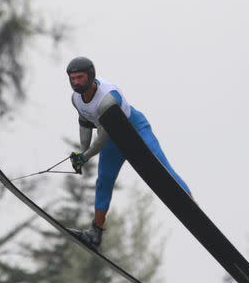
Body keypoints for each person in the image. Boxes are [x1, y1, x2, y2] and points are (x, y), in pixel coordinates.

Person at [66, 56, 193, 249]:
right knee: (103, 182)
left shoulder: (108, 98)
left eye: (80, 77)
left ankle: (192, 208)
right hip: (112, 143)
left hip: (135, 130)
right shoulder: (76, 99)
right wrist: (82, 153)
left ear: (91, 75)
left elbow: (102, 136)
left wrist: (86, 156)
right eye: (72, 78)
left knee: (162, 168)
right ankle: (95, 232)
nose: (76, 82)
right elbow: (85, 124)